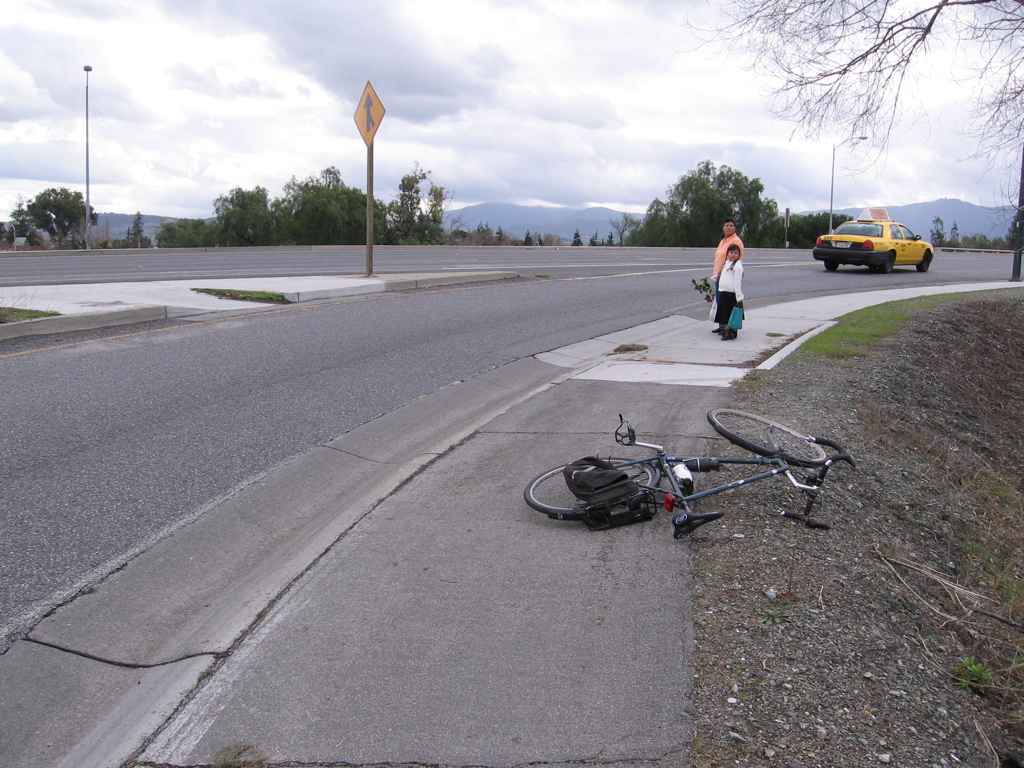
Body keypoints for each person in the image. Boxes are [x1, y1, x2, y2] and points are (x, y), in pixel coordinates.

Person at [711, 217, 744, 333]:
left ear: (735, 228)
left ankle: (728, 326)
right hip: (720, 275)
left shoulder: (736, 241)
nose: (729, 227)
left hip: (727, 275)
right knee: (720, 301)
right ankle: (722, 325)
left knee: (726, 302)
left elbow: (737, 256)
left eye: (731, 225)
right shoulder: (723, 240)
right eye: (727, 225)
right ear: (723, 227)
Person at [714, 243, 743, 341]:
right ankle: (727, 330)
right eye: (731, 252)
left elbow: (737, 282)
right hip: (723, 291)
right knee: (724, 313)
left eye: (736, 253)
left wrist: (739, 295)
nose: (733, 254)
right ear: (727, 254)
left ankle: (731, 331)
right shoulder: (726, 263)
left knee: (731, 314)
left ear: (739, 255)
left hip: (731, 293)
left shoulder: (738, 266)